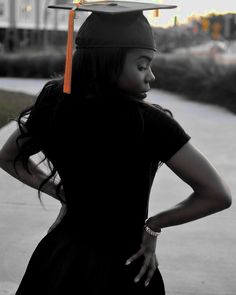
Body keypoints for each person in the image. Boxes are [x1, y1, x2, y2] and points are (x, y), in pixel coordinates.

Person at [0, 2, 232, 294]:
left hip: (59, 261)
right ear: (108, 62)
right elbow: (217, 195)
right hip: (123, 267)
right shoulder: (150, 122)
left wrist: (64, 195)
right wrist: (153, 225)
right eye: (142, 65)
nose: (151, 76)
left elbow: (7, 157)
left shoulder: (55, 105)